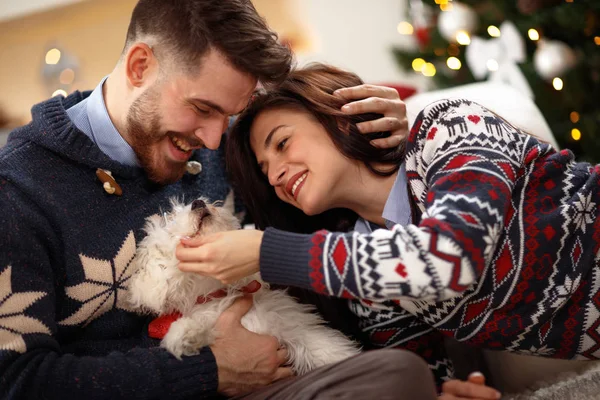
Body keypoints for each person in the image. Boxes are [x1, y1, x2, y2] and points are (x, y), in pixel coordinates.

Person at [0, 1, 435, 399]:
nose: (213, 140)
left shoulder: (230, 148)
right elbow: (15, 379)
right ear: (139, 66)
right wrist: (206, 372)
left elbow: (335, 236)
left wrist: (376, 140)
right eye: (203, 109)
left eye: (227, 115)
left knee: (399, 375)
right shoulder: (19, 189)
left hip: (283, 378)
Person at [176, 63, 600, 396]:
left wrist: (266, 251)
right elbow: (419, 371)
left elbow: (451, 256)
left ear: (340, 117)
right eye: (266, 170)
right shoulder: (364, 273)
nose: (276, 174)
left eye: (282, 143)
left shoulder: (448, 130)